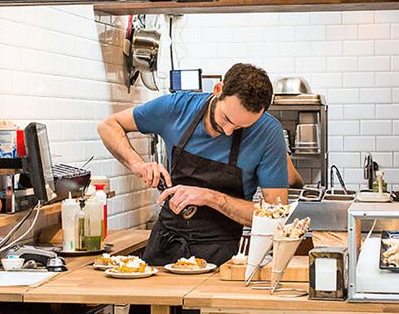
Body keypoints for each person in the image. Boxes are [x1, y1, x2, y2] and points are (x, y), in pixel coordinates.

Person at [97, 63, 288, 266]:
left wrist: (211, 197)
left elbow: (276, 216)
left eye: (242, 126)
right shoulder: (176, 108)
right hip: (165, 245)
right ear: (218, 90)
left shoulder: (267, 132)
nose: (229, 131)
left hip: (220, 257)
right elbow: (108, 126)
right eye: (226, 119)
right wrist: (139, 165)